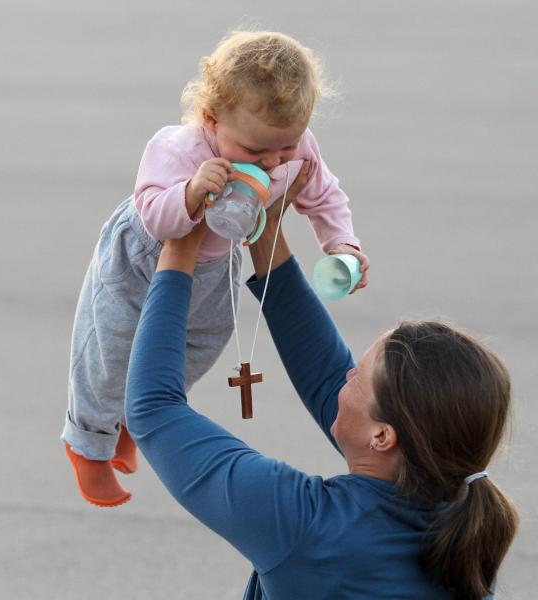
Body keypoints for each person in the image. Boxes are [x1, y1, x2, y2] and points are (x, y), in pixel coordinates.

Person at [125, 164, 518, 599]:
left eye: (358, 377)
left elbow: (153, 408)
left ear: (384, 436)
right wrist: (264, 230)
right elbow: (326, 374)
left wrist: (182, 235)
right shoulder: (463, 525)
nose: (344, 376)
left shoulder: (307, 526)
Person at [61, 30, 369, 507]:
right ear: (211, 117)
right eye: (255, 152)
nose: (272, 162)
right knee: (111, 349)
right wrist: (188, 194)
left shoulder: (294, 147)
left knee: (201, 343)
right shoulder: (178, 149)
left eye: (284, 149)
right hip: (143, 258)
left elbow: (323, 196)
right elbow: (153, 215)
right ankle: (87, 445)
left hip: (214, 265)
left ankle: (128, 421)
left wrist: (341, 244)